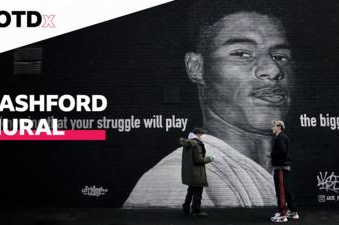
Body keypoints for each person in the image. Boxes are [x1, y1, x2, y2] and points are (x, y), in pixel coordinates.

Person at [124, 0, 295, 208]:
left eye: (280, 56)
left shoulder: (283, 173)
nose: (273, 69)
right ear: (196, 68)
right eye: (242, 54)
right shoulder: (176, 179)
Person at [270, 120, 299, 222]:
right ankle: (293, 212)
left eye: (274, 126)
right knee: (286, 190)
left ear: (279, 127)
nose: (272, 128)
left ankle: (283, 214)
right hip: (284, 167)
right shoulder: (283, 137)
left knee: (281, 191)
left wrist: (272, 154)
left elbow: (282, 151)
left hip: (281, 168)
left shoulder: (280, 137)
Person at [180, 128, 214, 215]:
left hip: (190, 173)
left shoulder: (187, 143)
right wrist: (209, 159)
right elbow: (198, 160)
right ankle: (196, 211)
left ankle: (186, 208)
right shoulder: (196, 144)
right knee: (198, 192)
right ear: (198, 134)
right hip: (197, 173)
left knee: (190, 191)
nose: (202, 136)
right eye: (201, 134)